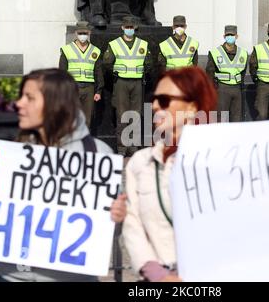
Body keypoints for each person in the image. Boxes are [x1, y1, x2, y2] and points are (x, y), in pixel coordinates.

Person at [0, 68, 127, 282]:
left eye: (29, 98)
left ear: (55, 104)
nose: (19, 104)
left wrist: (118, 218)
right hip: (13, 278)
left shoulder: (97, 154)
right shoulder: (10, 151)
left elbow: (107, 231)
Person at [122, 67, 217, 282]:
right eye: (154, 99)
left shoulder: (220, 161)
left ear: (192, 107)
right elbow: (132, 224)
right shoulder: (140, 163)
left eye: (164, 100)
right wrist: (158, 274)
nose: (155, 105)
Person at [103, 16, 152, 157]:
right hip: (121, 83)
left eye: (132, 27)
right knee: (122, 115)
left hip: (137, 82)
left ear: (135, 28)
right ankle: (122, 147)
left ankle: (133, 146)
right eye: (127, 27)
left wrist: (142, 72)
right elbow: (107, 63)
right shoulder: (114, 44)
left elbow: (149, 64)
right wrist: (116, 74)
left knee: (136, 115)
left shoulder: (143, 44)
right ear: (122, 28)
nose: (129, 29)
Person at [59, 21, 104, 128]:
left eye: (85, 33)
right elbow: (62, 72)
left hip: (89, 88)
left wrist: (99, 91)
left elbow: (98, 72)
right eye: (80, 33)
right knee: (72, 117)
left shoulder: (95, 51)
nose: (83, 35)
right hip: (73, 88)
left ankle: (85, 142)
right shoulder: (67, 50)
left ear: (89, 33)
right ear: (76, 33)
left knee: (87, 119)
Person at [206, 25, 248, 122]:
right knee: (221, 118)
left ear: (236, 36)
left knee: (237, 118)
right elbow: (209, 72)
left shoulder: (243, 53)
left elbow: (243, 71)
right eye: (228, 35)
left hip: (237, 89)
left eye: (232, 35)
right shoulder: (215, 52)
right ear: (224, 36)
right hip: (222, 88)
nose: (230, 37)